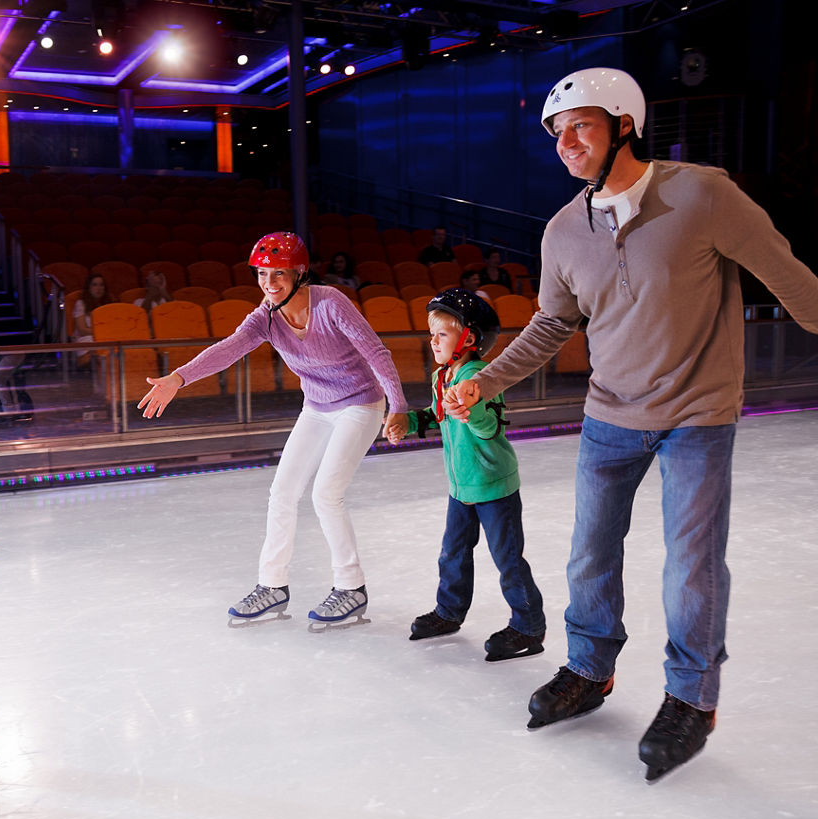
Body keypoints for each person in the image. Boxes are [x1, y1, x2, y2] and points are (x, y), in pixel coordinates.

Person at [443, 67, 818, 781]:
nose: (565, 143)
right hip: (609, 415)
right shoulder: (563, 230)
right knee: (589, 555)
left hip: (697, 416)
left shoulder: (701, 194)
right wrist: (485, 379)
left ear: (624, 124)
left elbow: (785, 272)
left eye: (580, 125)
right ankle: (589, 669)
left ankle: (691, 698)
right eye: (556, 133)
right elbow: (554, 323)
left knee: (691, 569)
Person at [138, 232, 411, 631]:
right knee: (282, 492)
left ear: (300, 273)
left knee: (325, 494)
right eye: (263, 274)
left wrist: (398, 405)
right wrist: (178, 378)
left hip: (359, 404)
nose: (269, 283)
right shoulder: (265, 316)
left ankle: (351, 588)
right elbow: (229, 348)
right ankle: (272, 586)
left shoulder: (330, 303)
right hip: (317, 407)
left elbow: (376, 352)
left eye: (279, 274)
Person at [403, 289, 545, 661]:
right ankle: (449, 612)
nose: (432, 340)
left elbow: (490, 428)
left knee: (508, 559)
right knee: (452, 552)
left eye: (442, 333)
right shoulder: (442, 375)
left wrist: (471, 411)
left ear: (468, 338)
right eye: (431, 333)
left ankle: (529, 625)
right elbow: (437, 417)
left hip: (494, 486)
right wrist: (409, 420)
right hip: (461, 486)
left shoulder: (478, 376)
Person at [72, 274, 112, 343]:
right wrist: (103, 332)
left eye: (101, 285)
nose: (98, 288)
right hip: (85, 338)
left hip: (105, 337)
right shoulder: (81, 304)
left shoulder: (109, 304)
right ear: (89, 288)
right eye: (94, 285)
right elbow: (82, 330)